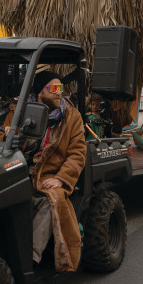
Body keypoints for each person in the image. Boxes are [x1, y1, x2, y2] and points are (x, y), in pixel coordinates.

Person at [25, 71, 86, 272]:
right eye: (54, 88)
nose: (59, 93)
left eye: (61, 88)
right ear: (40, 92)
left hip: (50, 175)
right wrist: (12, 134)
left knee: (52, 200)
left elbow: (78, 153)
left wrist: (61, 179)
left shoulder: (71, 116)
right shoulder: (21, 111)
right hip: (19, 171)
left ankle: (30, 259)